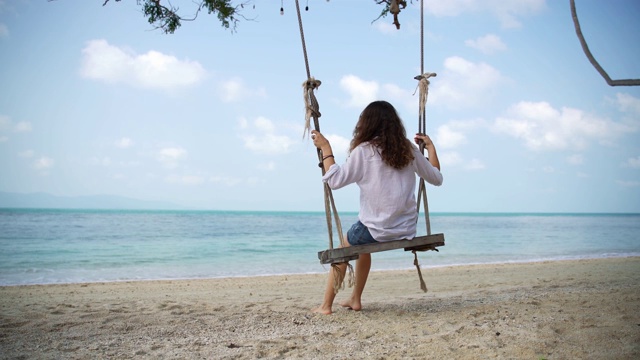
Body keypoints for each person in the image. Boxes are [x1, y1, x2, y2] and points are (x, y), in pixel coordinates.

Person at [310, 100, 443, 315]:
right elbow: (436, 177)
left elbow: (334, 181)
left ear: (365, 125)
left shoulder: (364, 151)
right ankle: (355, 299)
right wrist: (431, 148)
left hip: (375, 230)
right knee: (362, 246)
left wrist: (326, 148)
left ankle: (326, 306)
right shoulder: (408, 149)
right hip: (405, 230)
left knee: (346, 246)